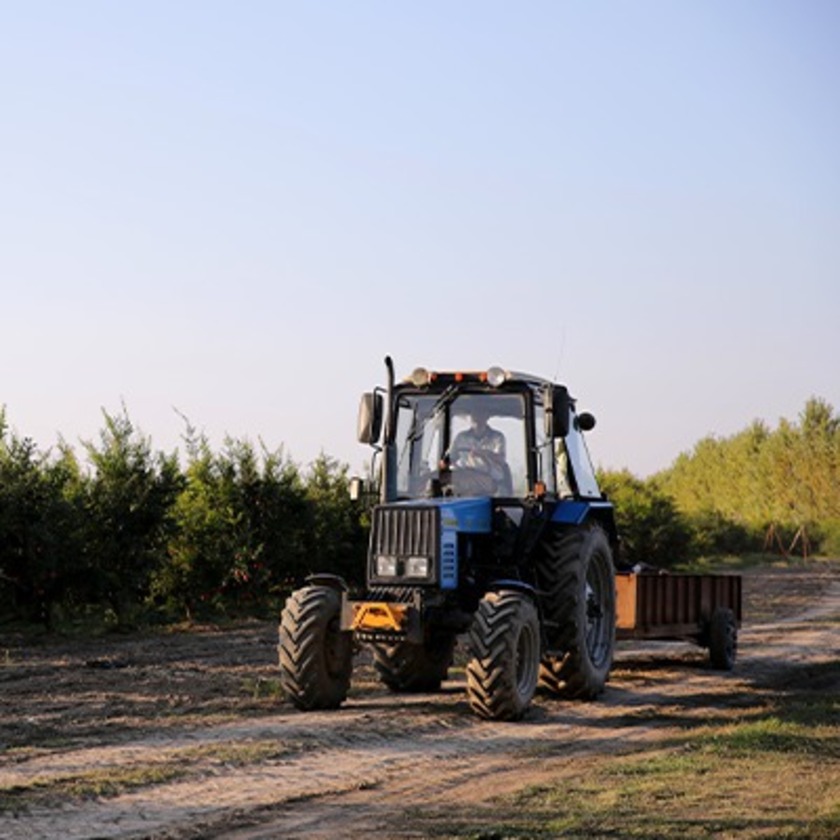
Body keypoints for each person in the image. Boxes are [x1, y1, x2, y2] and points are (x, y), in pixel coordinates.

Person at [449, 404, 510, 493]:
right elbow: (450, 458)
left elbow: (501, 459)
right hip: (463, 473)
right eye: (474, 413)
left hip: (488, 477)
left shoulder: (497, 437)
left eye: (481, 413)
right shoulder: (461, 437)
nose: (477, 417)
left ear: (487, 416)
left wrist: (484, 453)